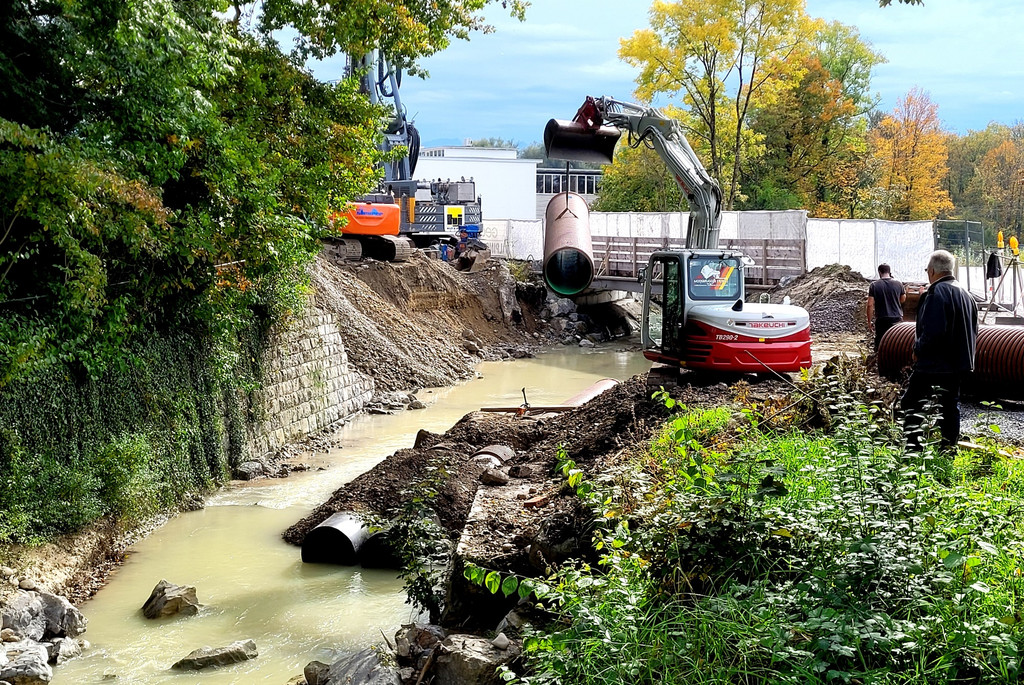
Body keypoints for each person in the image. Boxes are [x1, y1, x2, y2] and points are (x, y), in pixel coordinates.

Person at [900, 250, 978, 450]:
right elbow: (973, 331)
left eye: (927, 270)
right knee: (950, 407)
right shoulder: (967, 295)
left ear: (932, 271)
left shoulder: (935, 293)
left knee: (911, 403)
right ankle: (948, 450)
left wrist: (917, 349)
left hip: (933, 364)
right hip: (958, 365)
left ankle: (913, 450)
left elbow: (933, 331)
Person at [866, 263, 906, 349]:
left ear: (879, 272)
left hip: (882, 319)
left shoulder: (874, 285)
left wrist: (869, 321)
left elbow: (870, 304)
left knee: (880, 343)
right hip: (897, 318)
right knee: (896, 343)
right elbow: (903, 299)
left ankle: (879, 360)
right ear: (889, 272)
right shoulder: (899, 284)